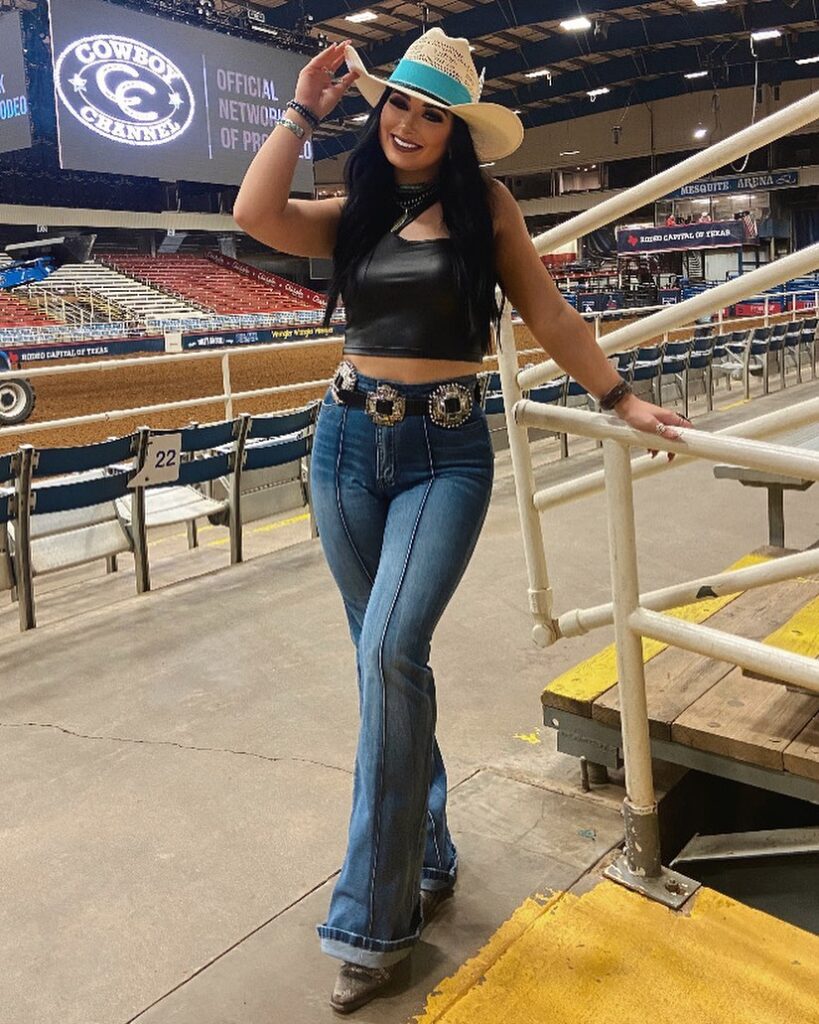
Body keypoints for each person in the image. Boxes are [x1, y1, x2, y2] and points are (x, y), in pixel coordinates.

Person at [234, 28, 690, 1015]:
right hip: (345, 450)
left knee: (393, 648)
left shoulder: (484, 208)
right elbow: (255, 211)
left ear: (456, 132)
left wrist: (622, 399)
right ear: (379, 110)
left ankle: (371, 917)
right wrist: (304, 106)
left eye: (433, 114)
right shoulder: (354, 208)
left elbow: (552, 316)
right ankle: (428, 846)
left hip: (446, 455)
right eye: (399, 104)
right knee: (385, 665)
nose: (410, 123)